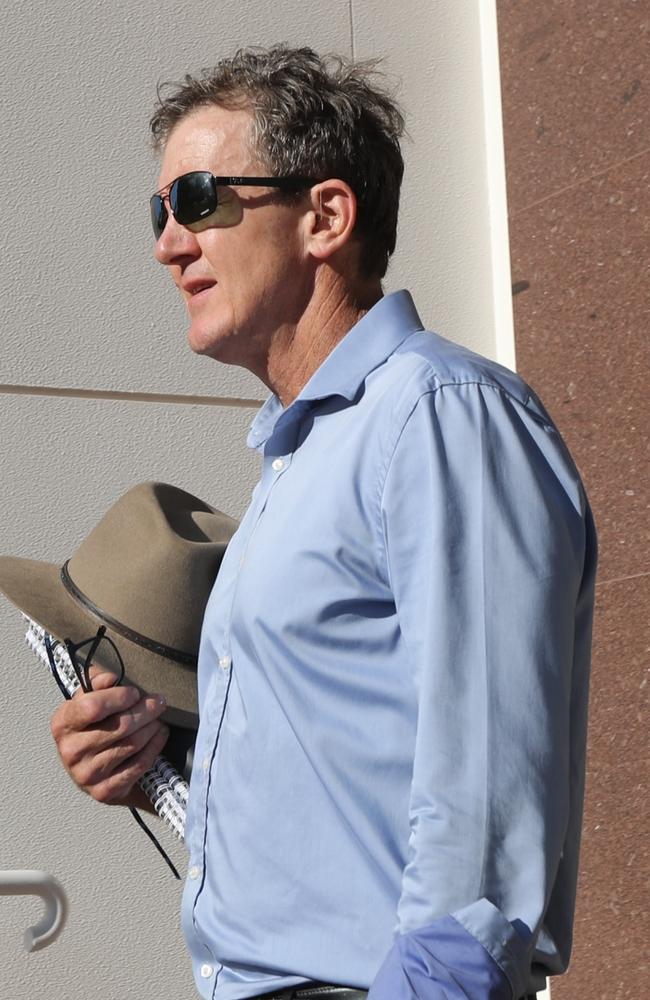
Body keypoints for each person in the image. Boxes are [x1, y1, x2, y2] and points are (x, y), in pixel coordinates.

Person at [50, 45, 597, 1000]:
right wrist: (156, 757)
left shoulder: (437, 415)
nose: (167, 242)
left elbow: (488, 796)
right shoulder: (302, 457)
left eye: (201, 199)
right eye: (159, 211)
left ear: (326, 217)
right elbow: (344, 767)